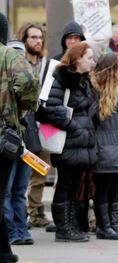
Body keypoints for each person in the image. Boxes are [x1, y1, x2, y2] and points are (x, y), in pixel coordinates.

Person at [42, 42, 98, 242]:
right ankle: (63, 229)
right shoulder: (61, 78)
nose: (92, 62)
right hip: (68, 141)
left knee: (74, 185)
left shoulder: (84, 81)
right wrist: (76, 128)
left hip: (82, 142)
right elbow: (50, 110)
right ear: (77, 59)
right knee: (65, 184)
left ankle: (71, 226)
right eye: (89, 58)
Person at [0, 11, 39, 262]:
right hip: (3, 137)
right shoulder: (10, 55)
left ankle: (4, 251)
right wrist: (23, 107)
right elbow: (27, 83)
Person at [90, 53, 118, 240]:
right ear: (110, 69)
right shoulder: (97, 92)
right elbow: (92, 121)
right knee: (103, 188)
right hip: (105, 147)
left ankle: (113, 226)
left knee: (114, 188)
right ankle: (104, 227)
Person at [16, 23, 51, 231]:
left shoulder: (47, 64)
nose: (38, 41)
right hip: (25, 123)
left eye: (40, 37)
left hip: (44, 124)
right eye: (33, 37)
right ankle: (24, 212)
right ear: (24, 40)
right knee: (23, 171)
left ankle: (36, 210)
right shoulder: (18, 62)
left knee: (41, 168)